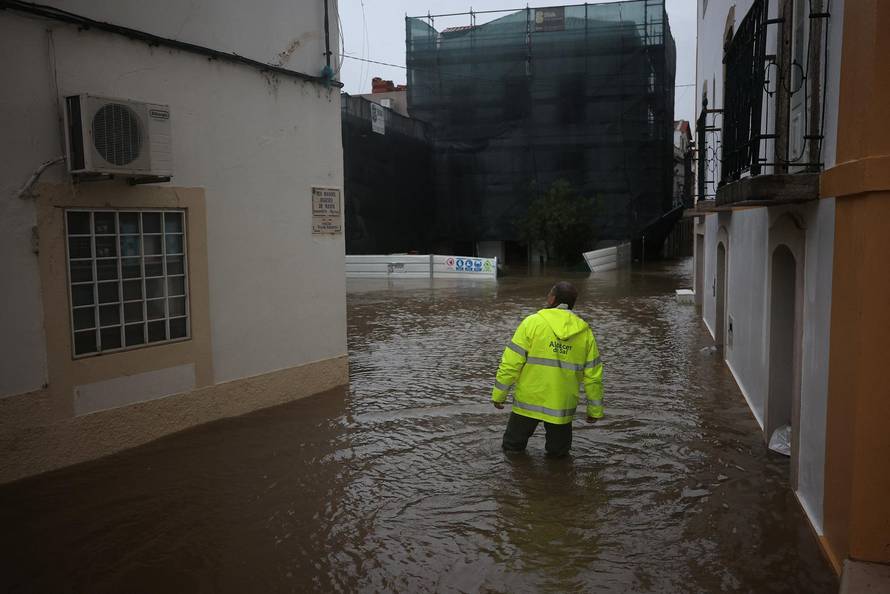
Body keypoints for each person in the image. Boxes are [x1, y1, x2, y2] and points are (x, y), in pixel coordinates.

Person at [491, 281, 603, 457]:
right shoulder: (585, 332)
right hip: (561, 405)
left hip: (528, 401)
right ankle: (558, 482)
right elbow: (593, 376)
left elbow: (511, 363)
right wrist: (594, 411)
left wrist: (499, 394)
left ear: (552, 299)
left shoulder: (532, 323)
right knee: (559, 456)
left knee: (512, 450)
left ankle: (519, 481)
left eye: (549, 294)